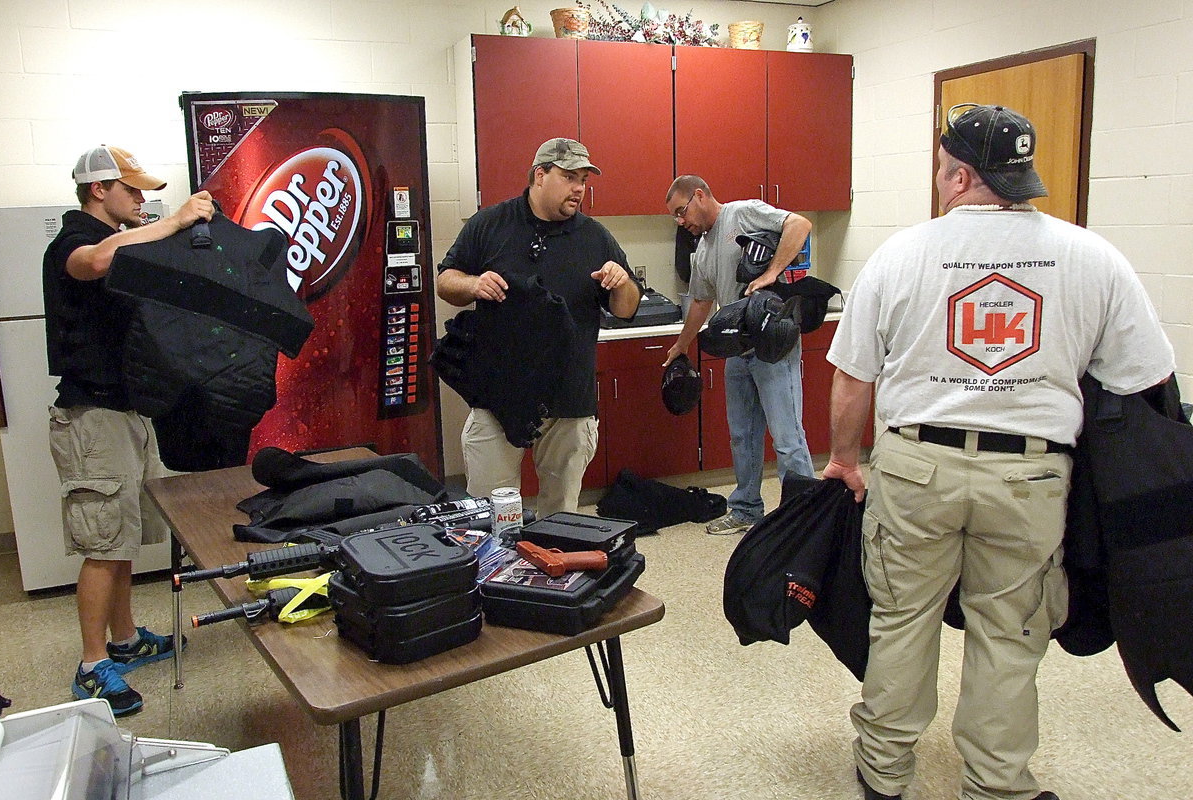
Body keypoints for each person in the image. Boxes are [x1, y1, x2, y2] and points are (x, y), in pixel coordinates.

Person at [822, 104, 1175, 800]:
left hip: (917, 467)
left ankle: (884, 772)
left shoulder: (902, 254)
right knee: (1010, 636)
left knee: (901, 620)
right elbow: (1146, 379)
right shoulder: (1092, 256)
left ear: (958, 176)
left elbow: (852, 377)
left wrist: (845, 460)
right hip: (1031, 474)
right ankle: (996, 783)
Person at [43, 145, 215, 716]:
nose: (142, 200)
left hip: (125, 411)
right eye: (132, 191)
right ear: (99, 189)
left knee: (118, 542)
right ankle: (93, 665)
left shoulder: (123, 246)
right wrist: (173, 220)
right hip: (92, 417)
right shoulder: (71, 244)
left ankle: (124, 640)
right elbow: (91, 263)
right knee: (101, 546)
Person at [436, 138, 641, 517]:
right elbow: (446, 280)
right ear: (540, 175)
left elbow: (626, 308)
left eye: (583, 179)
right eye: (569, 177)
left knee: (561, 514)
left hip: (569, 398)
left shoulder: (594, 236)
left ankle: (554, 573)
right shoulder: (490, 224)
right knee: (488, 513)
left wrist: (622, 281)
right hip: (498, 394)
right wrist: (473, 284)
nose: (579, 188)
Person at [663, 175, 815, 535]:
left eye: (681, 211)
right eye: (676, 217)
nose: (681, 221)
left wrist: (773, 272)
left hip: (773, 345)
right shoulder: (700, 250)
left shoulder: (743, 213)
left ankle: (804, 517)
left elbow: (800, 224)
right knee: (742, 435)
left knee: (787, 437)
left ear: (699, 195)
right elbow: (701, 302)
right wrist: (682, 344)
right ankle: (746, 508)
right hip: (738, 350)